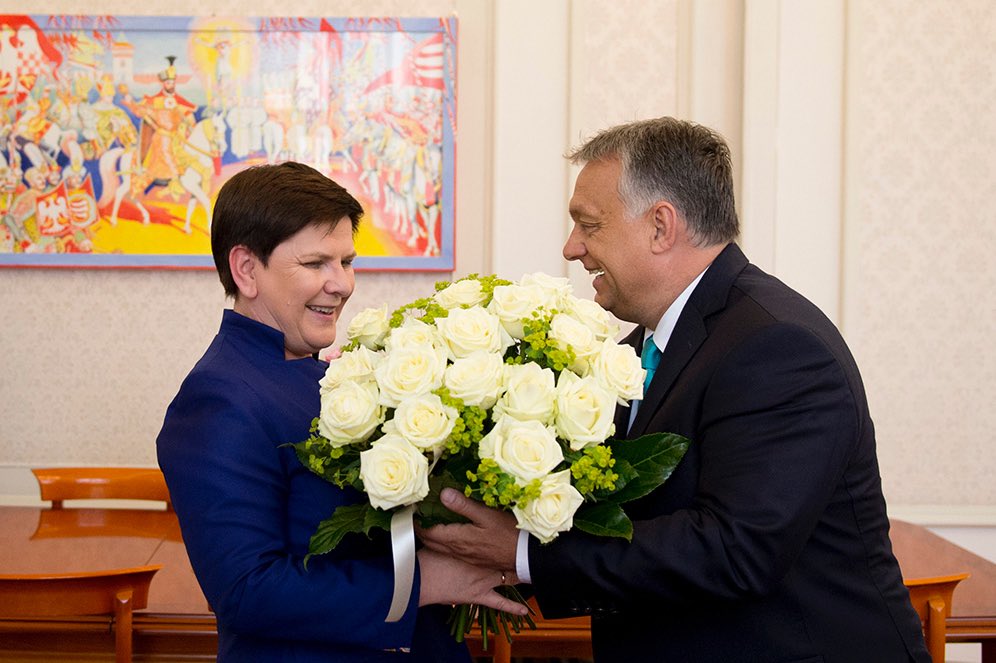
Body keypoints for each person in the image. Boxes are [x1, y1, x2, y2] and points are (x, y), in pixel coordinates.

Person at [418, 117, 931, 662]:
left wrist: (525, 554)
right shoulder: (645, 342)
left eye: (588, 225)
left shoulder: (777, 347)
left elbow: (735, 551)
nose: (572, 249)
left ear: (661, 226)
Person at [156, 161, 524, 662]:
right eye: (316, 265)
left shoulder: (324, 372)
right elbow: (247, 591)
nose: (342, 284)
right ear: (246, 269)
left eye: (347, 262)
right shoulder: (218, 399)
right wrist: (421, 582)